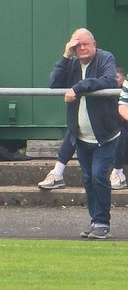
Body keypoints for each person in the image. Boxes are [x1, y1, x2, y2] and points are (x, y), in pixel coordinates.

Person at [49, 28, 119, 239]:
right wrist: (64, 56)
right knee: (88, 179)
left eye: (85, 44)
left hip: (105, 135)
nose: (82, 48)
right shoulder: (71, 63)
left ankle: (102, 223)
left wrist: (79, 87)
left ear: (94, 44)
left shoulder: (105, 58)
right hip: (80, 136)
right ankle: (95, 221)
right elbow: (53, 83)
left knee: (99, 176)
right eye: (77, 45)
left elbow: (108, 80)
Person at [38, 65, 128, 191]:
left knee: (120, 132)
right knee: (74, 130)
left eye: (117, 77)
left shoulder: (124, 89)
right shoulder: (101, 90)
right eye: (113, 78)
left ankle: (119, 173)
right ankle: (57, 172)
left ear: (123, 78)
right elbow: (53, 82)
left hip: (119, 135)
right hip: (102, 134)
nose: (115, 81)